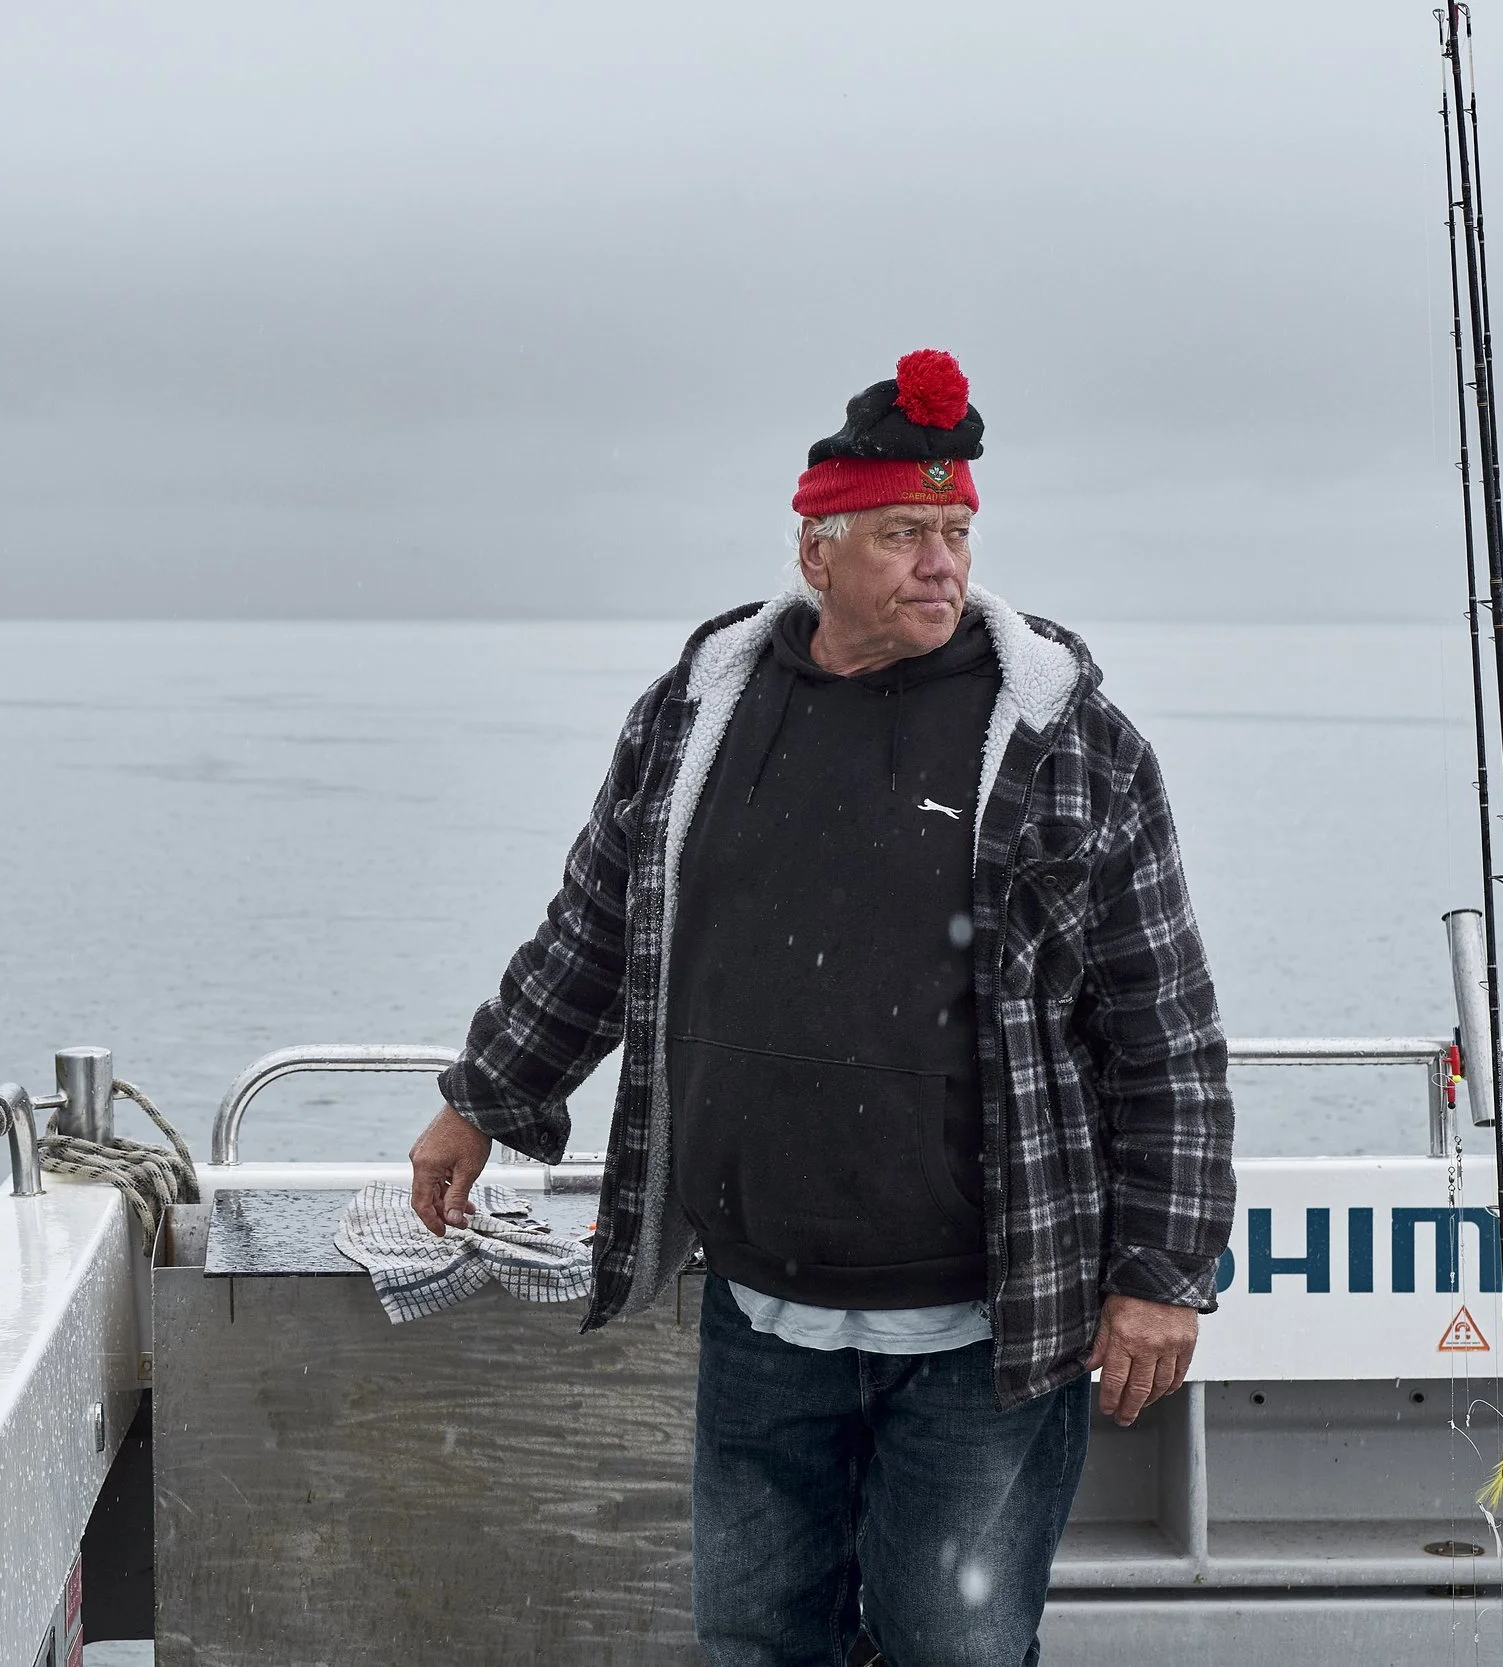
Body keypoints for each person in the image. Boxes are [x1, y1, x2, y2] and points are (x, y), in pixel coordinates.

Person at [408, 349, 1235, 1667]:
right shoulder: (704, 707)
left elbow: (1166, 1029)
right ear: (818, 551)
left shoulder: (1065, 735)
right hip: (759, 1311)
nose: (939, 563)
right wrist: (485, 1098)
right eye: (904, 533)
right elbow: (604, 921)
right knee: (749, 1640)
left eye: (956, 531)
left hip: (986, 1326)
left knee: (944, 1646)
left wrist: (1162, 1270)